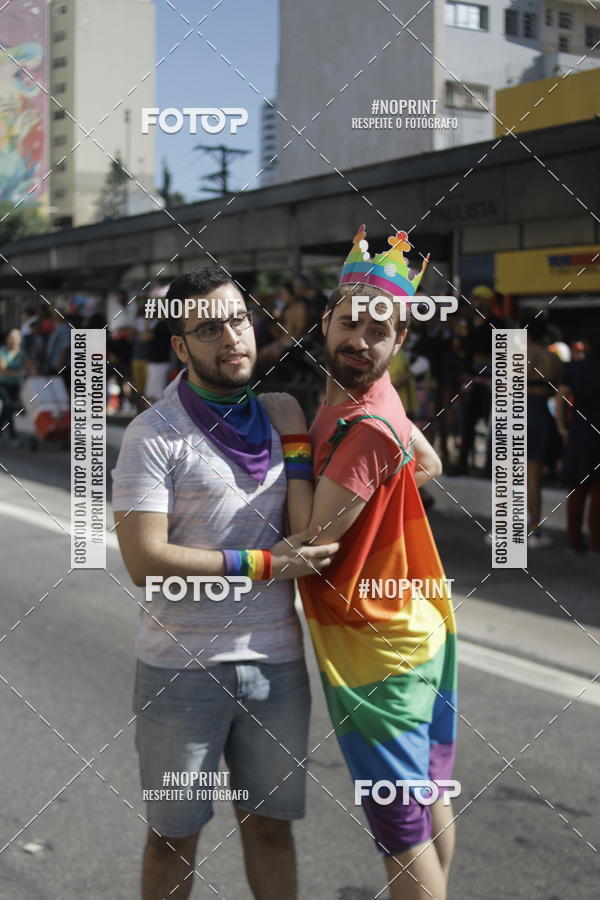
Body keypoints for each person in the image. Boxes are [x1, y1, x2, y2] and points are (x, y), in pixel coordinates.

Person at [111, 268, 339, 900]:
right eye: (208, 328)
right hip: (180, 673)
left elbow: (304, 531)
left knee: (269, 828)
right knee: (171, 838)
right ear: (180, 348)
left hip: (277, 667)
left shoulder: (281, 414)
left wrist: (298, 433)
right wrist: (264, 565)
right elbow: (144, 558)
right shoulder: (151, 436)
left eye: (238, 319)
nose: (231, 337)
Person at [262, 228, 457, 900]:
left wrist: (293, 443)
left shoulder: (363, 427)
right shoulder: (378, 408)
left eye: (379, 332)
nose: (360, 341)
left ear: (399, 343)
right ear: (327, 321)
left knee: (399, 829)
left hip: (376, 649)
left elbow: (310, 550)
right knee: (428, 794)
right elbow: (427, 461)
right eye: (351, 322)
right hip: (414, 624)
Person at [556, 341, 600, 554]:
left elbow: (560, 397)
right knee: (598, 489)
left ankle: (574, 540)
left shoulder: (574, 369)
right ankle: (596, 542)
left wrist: (561, 426)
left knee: (576, 487)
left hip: (579, 429)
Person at [525, 319, 563, 548]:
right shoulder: (554, 358)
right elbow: (559, 391)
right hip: (542, 415)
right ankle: (535, 528)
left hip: (519, 412)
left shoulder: (520, 354)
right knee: (534, 476)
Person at [0, 327, 31, 445]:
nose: (14, 341)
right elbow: (2, 370)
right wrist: (21, 373)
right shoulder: (2, 351)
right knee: (9, 406)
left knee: (8, 409)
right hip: (2, 384)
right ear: (7, 339)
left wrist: (34, 373)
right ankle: (13, 435)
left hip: (15, 385)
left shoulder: (21, 352)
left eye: (17, 338)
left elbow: (30, 366)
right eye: (12, 338)